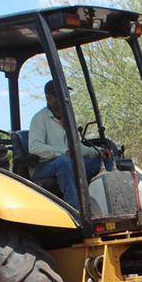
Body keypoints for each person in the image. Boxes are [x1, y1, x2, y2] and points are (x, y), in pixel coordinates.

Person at [29, 79, 113, 208]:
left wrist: (98, 151)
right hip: (42, 166)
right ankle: (76, 209)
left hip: (67, 162)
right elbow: (35, 147)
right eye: (56, 94)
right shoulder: (40, 118)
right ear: (48, 97)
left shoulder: (68, 120)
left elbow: (77, 147)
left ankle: (108, 204)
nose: (61, 97)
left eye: (64, 94)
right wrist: (63, 152)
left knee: (102, 160)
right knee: (64, 161)